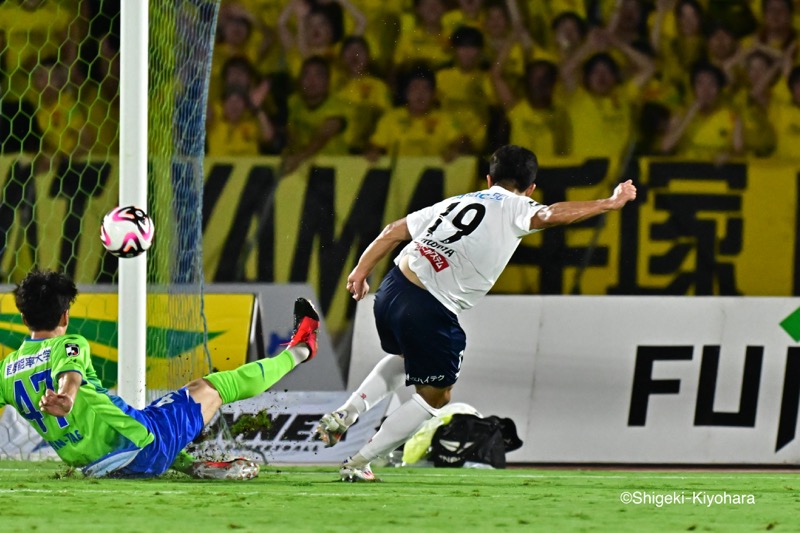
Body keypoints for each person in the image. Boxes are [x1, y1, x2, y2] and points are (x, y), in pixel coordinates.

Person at [315, 144, 637, 481]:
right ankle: (358, 462)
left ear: (488, 180)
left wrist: (359, 272)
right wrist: (610, 203)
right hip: (428, 305)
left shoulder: (458, 202)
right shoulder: (518, 207)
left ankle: (345, 414)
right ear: (531, 189)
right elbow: (551, 214)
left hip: (392, 288)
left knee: (406, 357)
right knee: (436, 396)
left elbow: (392, 231)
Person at [0, 270, 320, 479]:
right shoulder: (70, 343)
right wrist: (67, 398)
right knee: (212, 387)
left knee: (155, 415)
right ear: (65, 315)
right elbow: (68, 374)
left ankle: (197, 467)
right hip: (139, 448)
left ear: (23, 316)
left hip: (93, 466)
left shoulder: (6, 369)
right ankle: (302, 348)